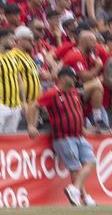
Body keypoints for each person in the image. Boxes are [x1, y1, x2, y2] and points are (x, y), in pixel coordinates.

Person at [28, 66, 97, 206]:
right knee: (75, 168)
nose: (74, 80)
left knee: (90, 161)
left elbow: (77, 111)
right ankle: (83, 197)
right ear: (62, 78)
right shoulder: (53, 93)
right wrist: (31, 125)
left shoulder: (74, 93)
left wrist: (81, 126)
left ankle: (75, 190)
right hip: (64, 136)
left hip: (78, 135)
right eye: (71, 77)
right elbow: (34, 105)